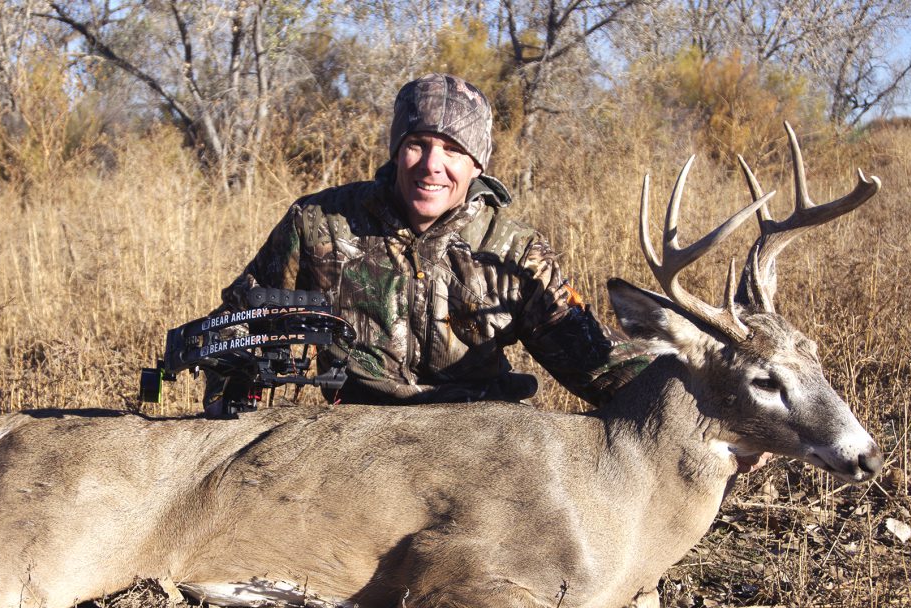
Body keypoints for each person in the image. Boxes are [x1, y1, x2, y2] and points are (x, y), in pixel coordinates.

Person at [204, 73, 646, 414]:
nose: (432, 166)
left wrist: (689, 379)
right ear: (397, 151)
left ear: (477, 164)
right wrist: (234, 363)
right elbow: (238, 317)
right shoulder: (320, 222)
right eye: (418, 145)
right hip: (355, 440)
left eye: (452, 150)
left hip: (478, 441)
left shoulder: (516, 249)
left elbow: (596, 363)